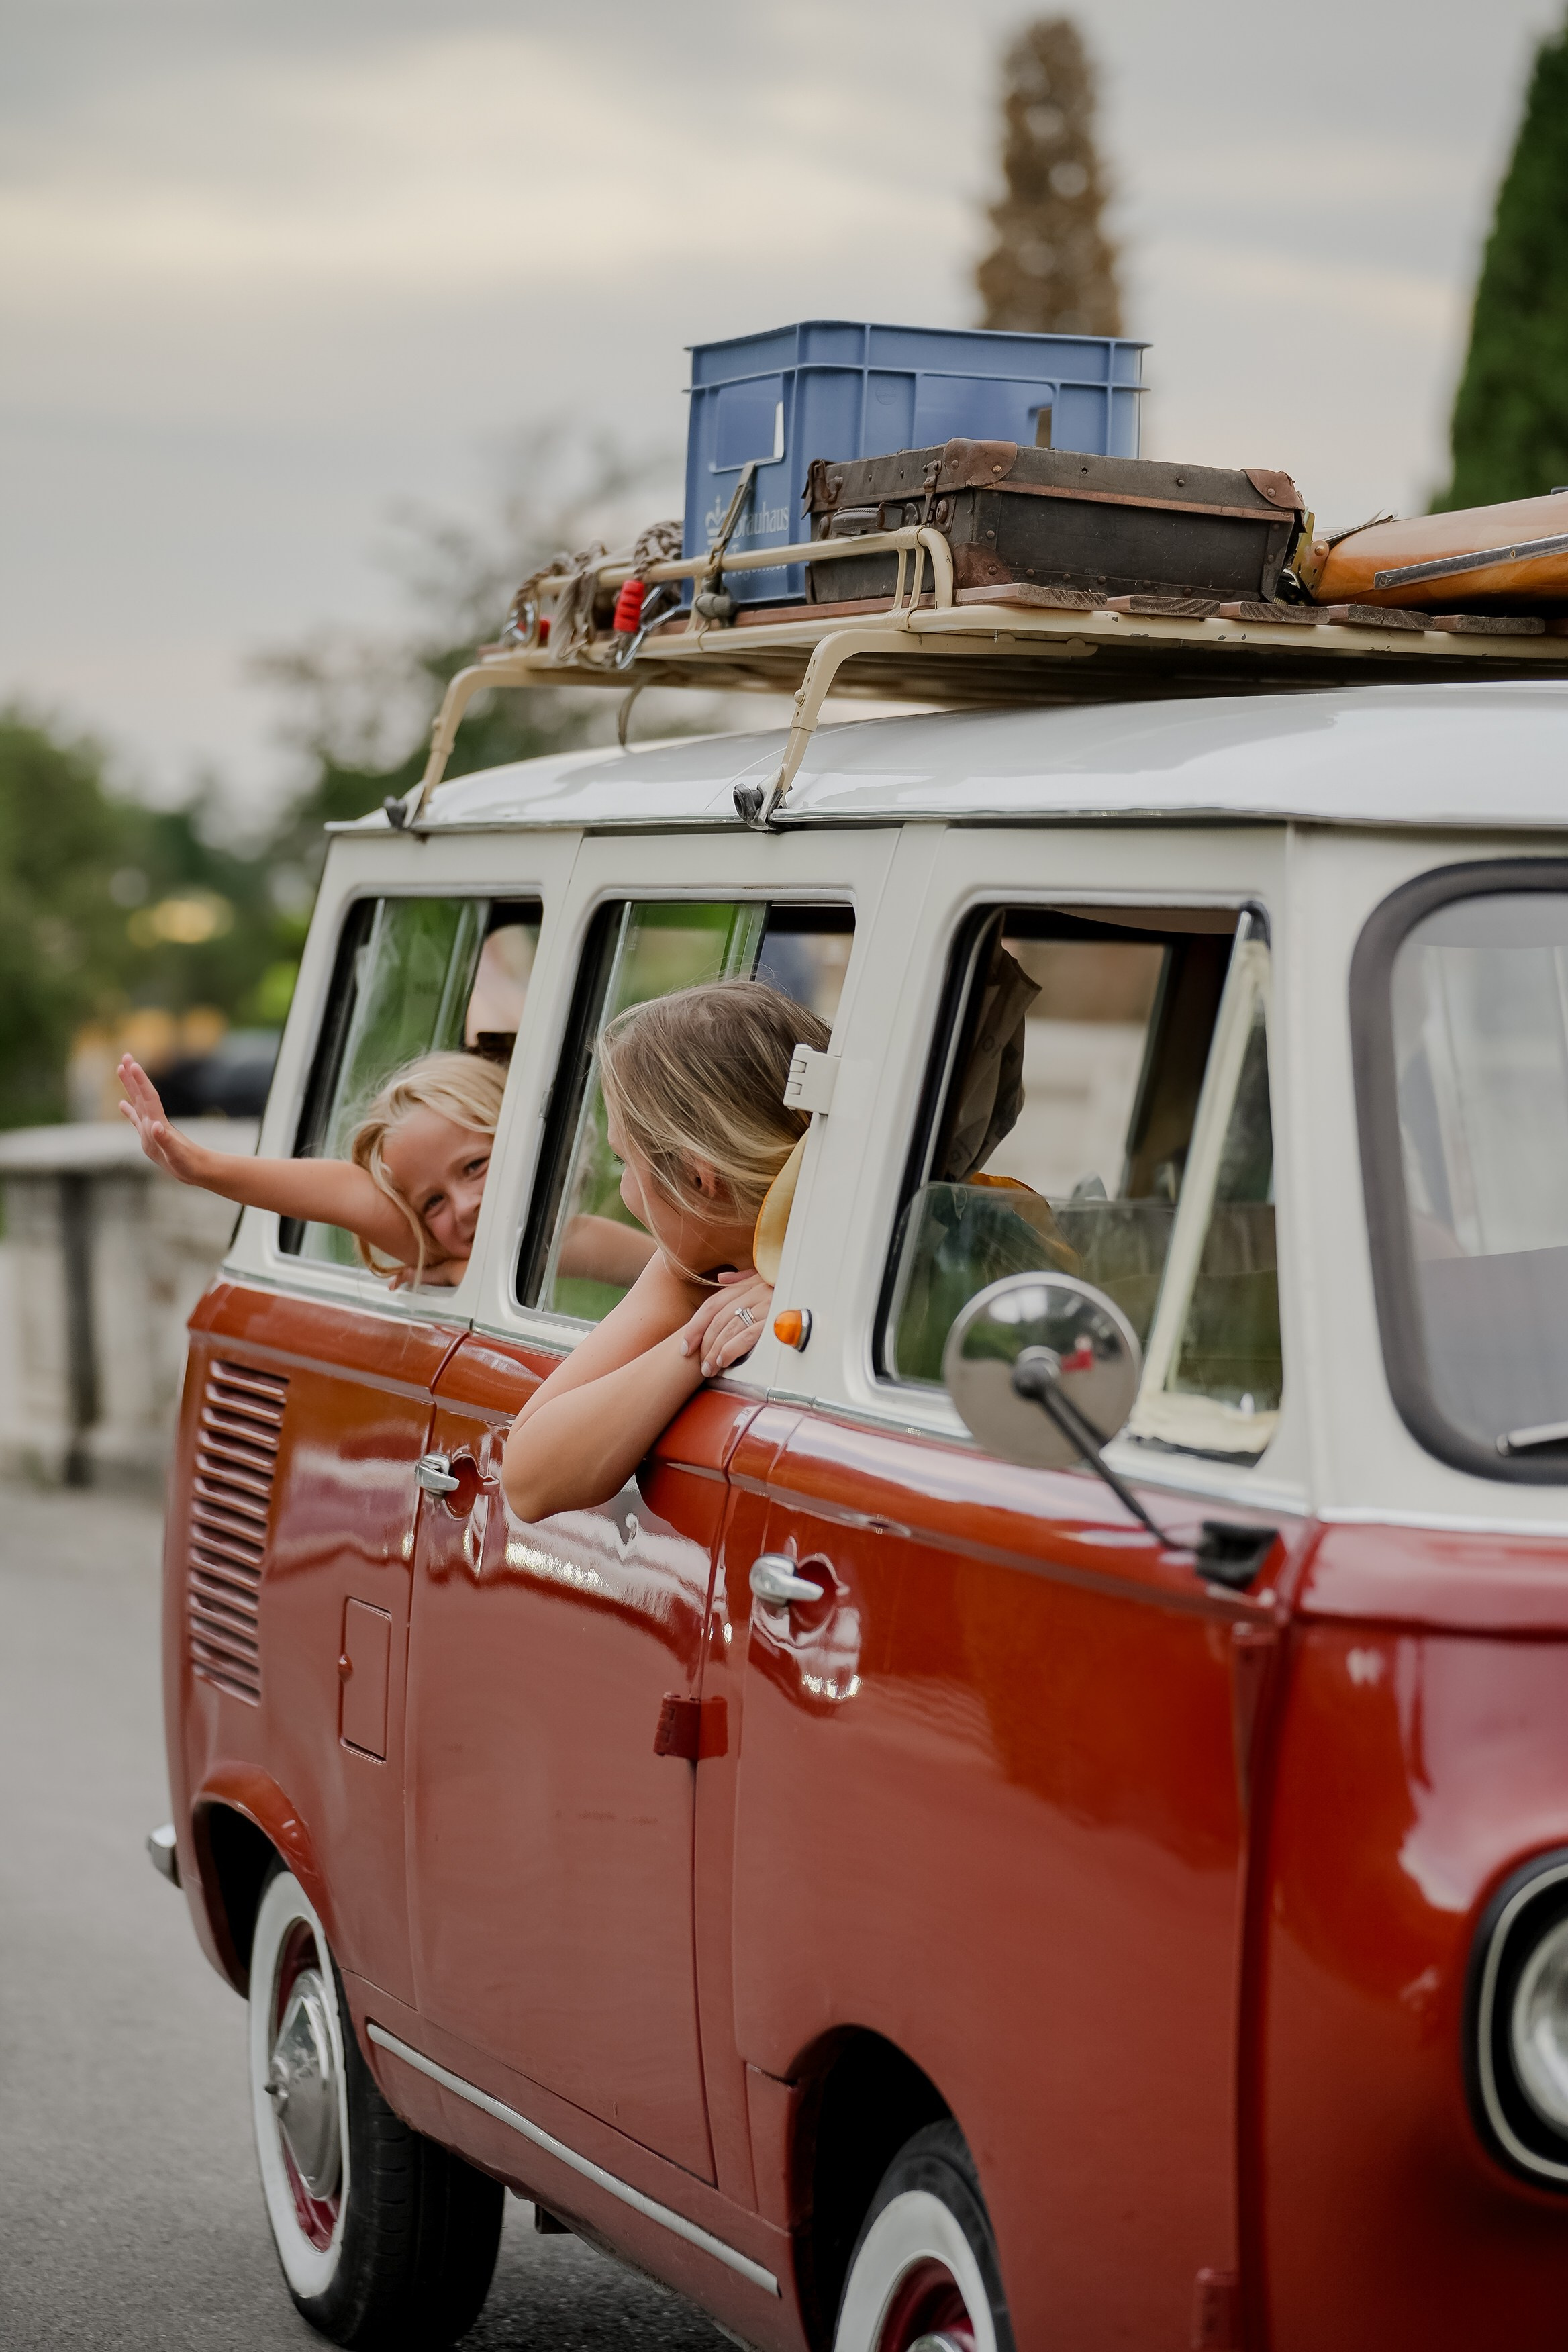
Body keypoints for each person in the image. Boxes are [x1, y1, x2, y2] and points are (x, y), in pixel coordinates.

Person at [501, 979, 828, 1523]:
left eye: (623, 1162)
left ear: (699, 1181)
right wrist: (706, 1338)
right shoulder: (696, 1266)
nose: (624, 1189)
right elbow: (531, 1475)